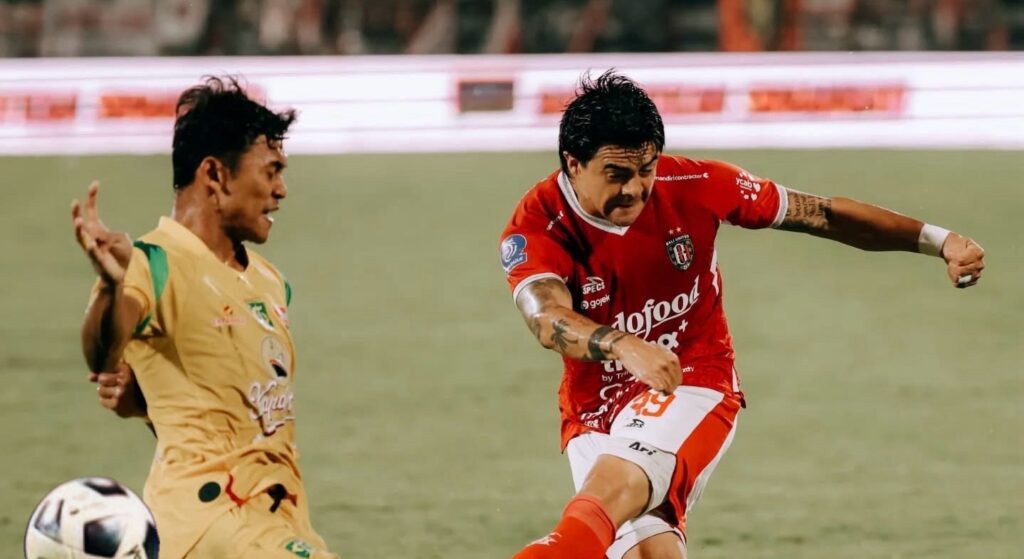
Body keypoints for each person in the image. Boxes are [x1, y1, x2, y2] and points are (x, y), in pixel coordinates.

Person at [500, 71, 985, 559]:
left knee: (609, 493)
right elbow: (545, 316)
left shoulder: (696, 183)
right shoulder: (538, 224)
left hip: (691, 379)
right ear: (573, 162)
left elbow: (821, 215)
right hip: (592, 411)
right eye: (616, 174)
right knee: (650, 553)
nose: (636, 188)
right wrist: (622, 344)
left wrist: (940, 240)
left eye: (646, 169)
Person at [72, 76, 338, 559]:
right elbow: (102, 353)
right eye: (271, 171)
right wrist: (111, 288)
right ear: (215, 174)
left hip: (276, 518)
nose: (281, 190)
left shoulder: (270, 282)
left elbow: (218, 404)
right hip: (215, 517)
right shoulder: (155, 262)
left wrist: (147, 404)